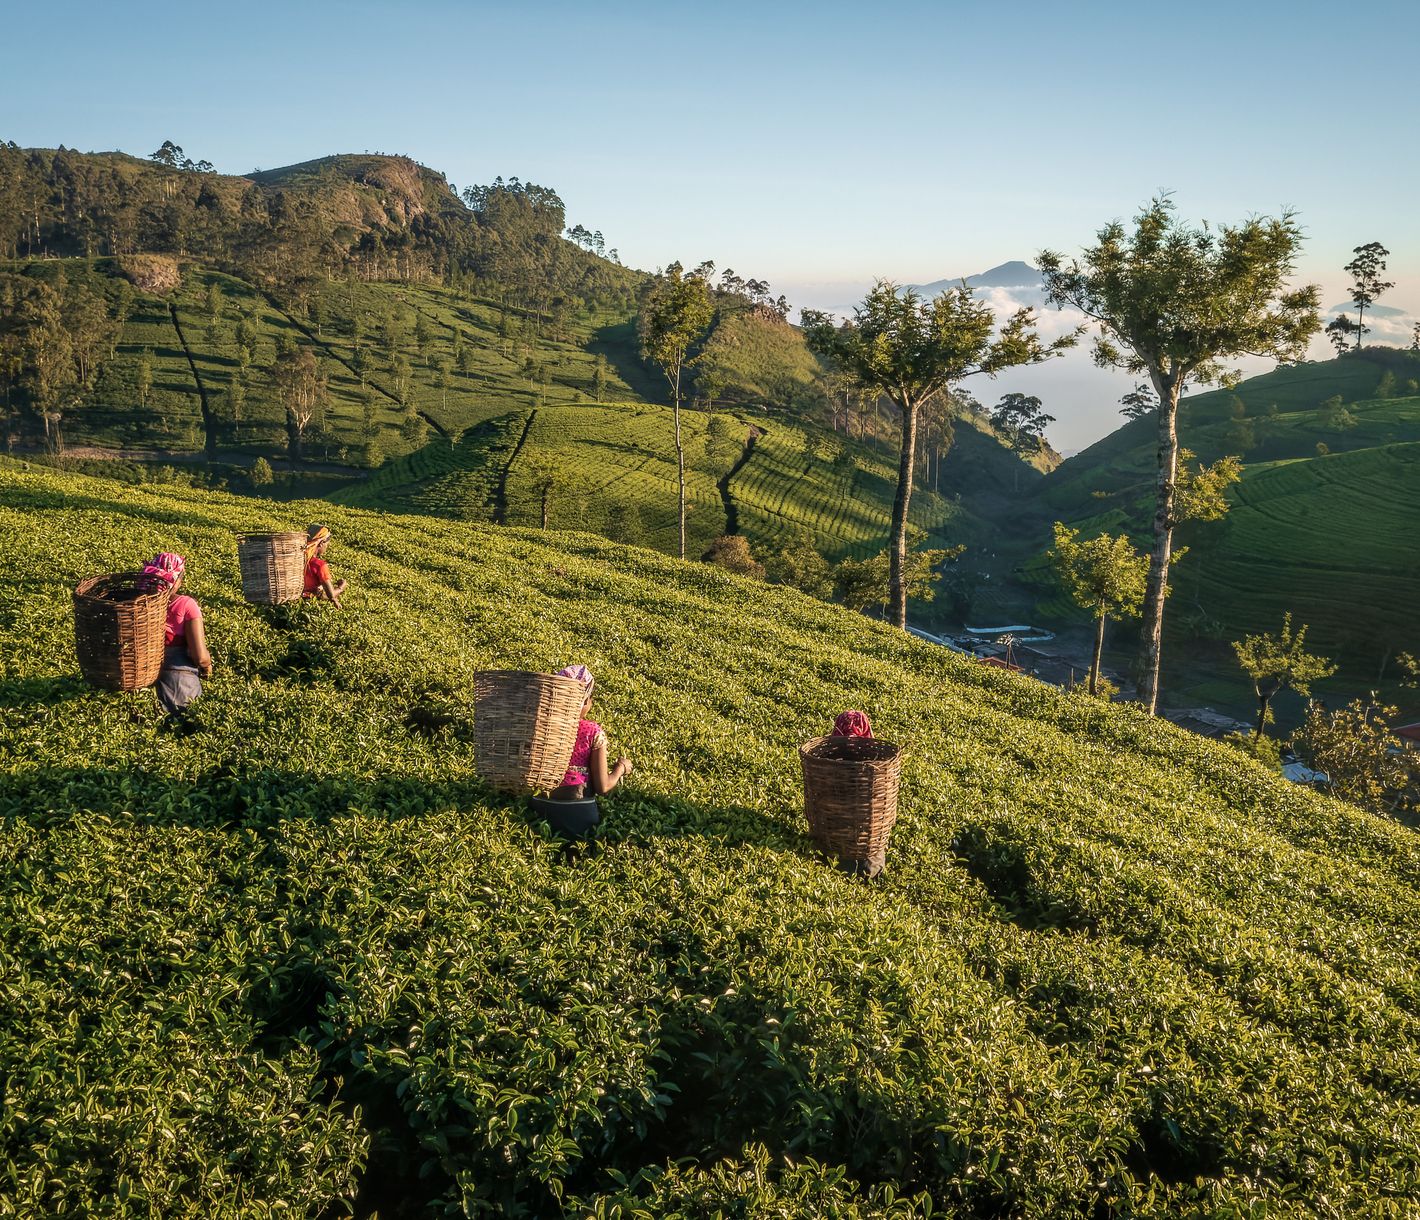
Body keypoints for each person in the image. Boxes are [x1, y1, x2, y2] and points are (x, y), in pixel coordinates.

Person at [549, 664, 632, 800]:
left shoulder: (543, 725)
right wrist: (621, 768)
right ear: (586, 700)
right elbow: (603, 787)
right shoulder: (591, 731)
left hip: (539, 805)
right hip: (578, 808)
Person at [144, 552, 212, 718]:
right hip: (179, 685)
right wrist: (207, 666)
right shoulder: (186, 605)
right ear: (178, 579)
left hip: (145, 682)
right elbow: (200, 657)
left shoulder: (141, 603)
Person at [303, 524, 346, 607]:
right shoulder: (319, 565)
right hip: (311, 601)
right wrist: (341, 588)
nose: (327, 546)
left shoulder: (298, 559)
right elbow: (331, 594)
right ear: (321, 543)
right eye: (327, 544)